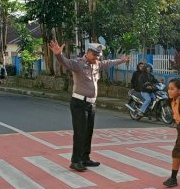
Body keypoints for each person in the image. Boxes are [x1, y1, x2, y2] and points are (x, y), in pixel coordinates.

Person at [49, 40, 129, 172]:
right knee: (80, 132)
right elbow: (66, 62)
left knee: (88, 132)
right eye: (95, 55)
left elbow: (109, 63)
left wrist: (122, 60)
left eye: (98, 56)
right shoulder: (78, 64)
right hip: (79, 103)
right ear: (88, 52)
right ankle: (75, 161)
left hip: (91, 104)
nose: (97, 58)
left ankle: (85, 158)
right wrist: (58, 54)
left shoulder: (97, 64)